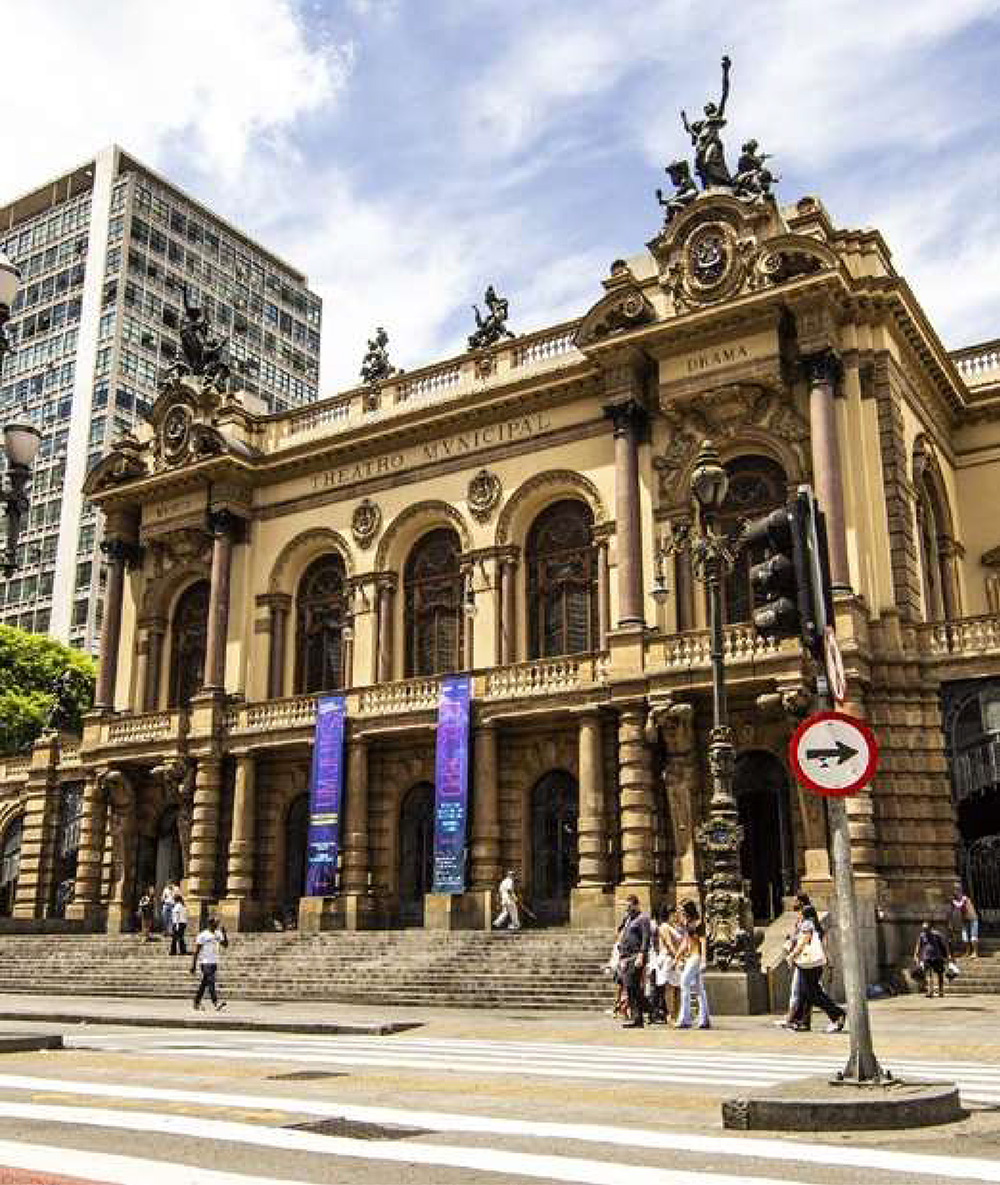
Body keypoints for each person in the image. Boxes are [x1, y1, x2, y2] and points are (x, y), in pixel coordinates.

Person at [787, 903, 846, 1033]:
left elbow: (803, 941)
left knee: (813, 994)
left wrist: (792, 955)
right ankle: (800, 1021)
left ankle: (837, 1014)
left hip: (807, 964)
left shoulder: (807, 924)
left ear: (804, 914)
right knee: (806, 993)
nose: (798, 915)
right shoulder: (818, 927)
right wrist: (829, 963)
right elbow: (824, 947)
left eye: (800, 912)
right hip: (816, 964)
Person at [675, 900, 711, 1030]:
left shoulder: (698, 923)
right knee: (699, 989)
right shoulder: (687, 923)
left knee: (684, 983)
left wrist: (703, 959)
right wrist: (677, 956)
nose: (680, 912)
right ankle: (704, 1019)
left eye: (682, 909)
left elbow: (703, 941)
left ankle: (685, 1019)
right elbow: (686, 942)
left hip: (696, 956)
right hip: (691, 956)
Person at [618, 894, 652, 1029]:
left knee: (633, 986)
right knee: (630, 987)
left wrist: (641, 955)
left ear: (636, 905)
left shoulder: (643, 919)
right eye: (626, 907)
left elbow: (646, 938)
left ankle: (641, 1015)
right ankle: (638, 1016)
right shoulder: (628, 919)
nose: (627, 909)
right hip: (626, 957)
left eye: (629, 906)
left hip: (635, 956)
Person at [190, 916, 228, 1011]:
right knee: (211, 981)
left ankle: (196, 1001)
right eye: (216, 922)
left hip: (214, 962)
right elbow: (197, 951)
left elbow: (225, 945)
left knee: (204, 983)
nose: (217, 924)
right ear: (210, 923)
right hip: (205, 962)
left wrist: (224, 934)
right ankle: (216, 1003)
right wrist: (193, 965)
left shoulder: (218, 934)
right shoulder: (202, 935)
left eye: (217, 922)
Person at [914, 920, 951, 998]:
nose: (925, 930)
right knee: (928, 974)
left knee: (940, 974)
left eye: (926, 928)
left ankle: (941, 990)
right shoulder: (922, 935)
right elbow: (918, 945)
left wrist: (947, 956)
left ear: (930, 928)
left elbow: (944, 945)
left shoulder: (937, 934)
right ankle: (930, 991)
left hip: (937, 957)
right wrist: (916, 955)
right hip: (927, 957)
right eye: (923, 928)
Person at [951, 884, 979, 958]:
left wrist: (953, 901)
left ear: (960, 890)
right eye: (954, 890)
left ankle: (975, 952)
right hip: (964, 920)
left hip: (972, 919)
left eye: (956, 890)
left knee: (973, 937)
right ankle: (967, 952)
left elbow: (959, 905)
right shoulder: (956, 900)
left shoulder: (964, 898)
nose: (955, 892)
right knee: (965, 937)